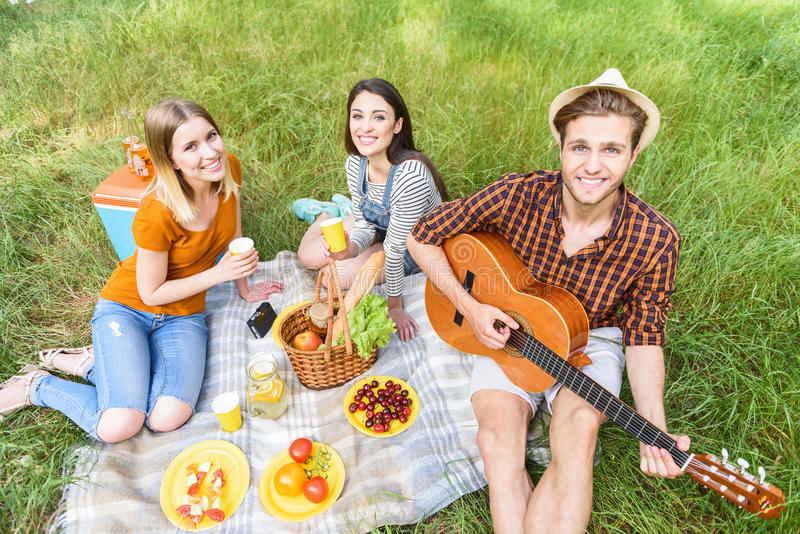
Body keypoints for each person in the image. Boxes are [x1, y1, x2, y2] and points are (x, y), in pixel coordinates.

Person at [406, 68, 691, 533]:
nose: (593, 166)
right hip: (505, 328)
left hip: (586, 339)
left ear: (634, 154)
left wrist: (653, 428)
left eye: (612, 149)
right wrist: (471, 306)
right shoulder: (518, 194)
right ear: (561, 145)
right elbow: (422, 236)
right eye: (580, 147)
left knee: (576, 436)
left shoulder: (655, 238)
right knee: (497, 442)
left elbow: (643, 337)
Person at [0, 98, 283, 442]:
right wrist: (217, 275)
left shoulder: (227, 169)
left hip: (183, 314)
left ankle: (98, 366)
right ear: (170, 160)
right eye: (191, 146)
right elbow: (150, 292)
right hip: (129, 308)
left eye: (211, 136)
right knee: (120, 425)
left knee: (167, 418)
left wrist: (244, 287)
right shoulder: (158, 211)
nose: (210, 152)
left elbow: (233, 235)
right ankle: (37, 385)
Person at [295, 78, 447, 342]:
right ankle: (326, 213)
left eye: (378, 117)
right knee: (307, 256)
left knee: (335, 277)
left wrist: (395, 307)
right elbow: (366, 224)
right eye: (357, 116)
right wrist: (350, 248)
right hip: (377, 225)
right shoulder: (356, 164)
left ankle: (339, 212)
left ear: (397, 125)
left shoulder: (411, 177)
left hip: (413, 244)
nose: (365, 127)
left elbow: (396, 250)